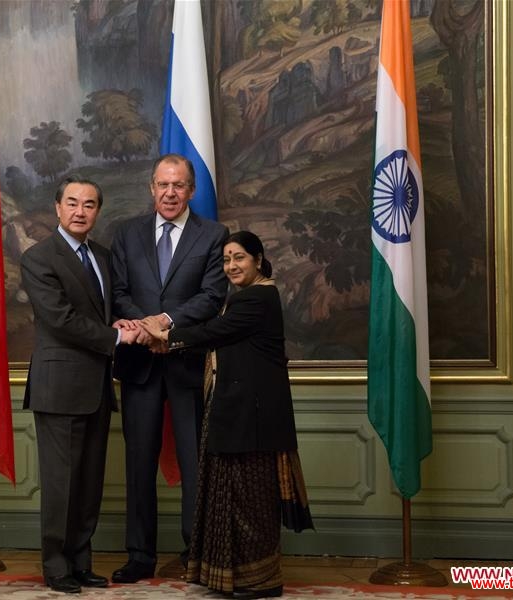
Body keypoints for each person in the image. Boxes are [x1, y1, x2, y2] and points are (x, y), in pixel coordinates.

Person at [141, 231, 313, 599]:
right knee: (236, 496)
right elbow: (221, 338)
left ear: (258, 259)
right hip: (240, 414)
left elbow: (215, 331)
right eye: (226, 260)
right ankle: (238, 577)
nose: (231, 266)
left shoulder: (258, 297)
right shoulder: (249, 296)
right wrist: (169, 341)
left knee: (250, 498)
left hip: (252, 418)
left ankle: (259, 580)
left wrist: (166, 335)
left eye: (239, 258)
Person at [110, 154, 229, 583]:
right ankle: (140, 555)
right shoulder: (127, 233)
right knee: (139, 463)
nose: (170, 193)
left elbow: (212, 296)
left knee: (195, 463)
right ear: (152, 188)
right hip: (140, 364)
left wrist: (164, 322)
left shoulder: (213, 235)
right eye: (163, 184)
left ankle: (195, 553)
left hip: (186, 363)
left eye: (178, 185)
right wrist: (144, 328)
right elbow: (118, 293)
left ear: (191, 191)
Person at [21, 175, 139, 595]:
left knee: (89, 483)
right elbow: (60, 320)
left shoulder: (103, 256)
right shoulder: (39, 258)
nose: (80, 211)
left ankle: (81, 563)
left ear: (98, 212)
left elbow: (103, 311)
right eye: (72, 203)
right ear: (57, 208)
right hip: (59, 387)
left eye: (89, 205)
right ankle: (56, 567)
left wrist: (125, 323)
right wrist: (116, 337)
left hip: (97, 386)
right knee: (61, 484)